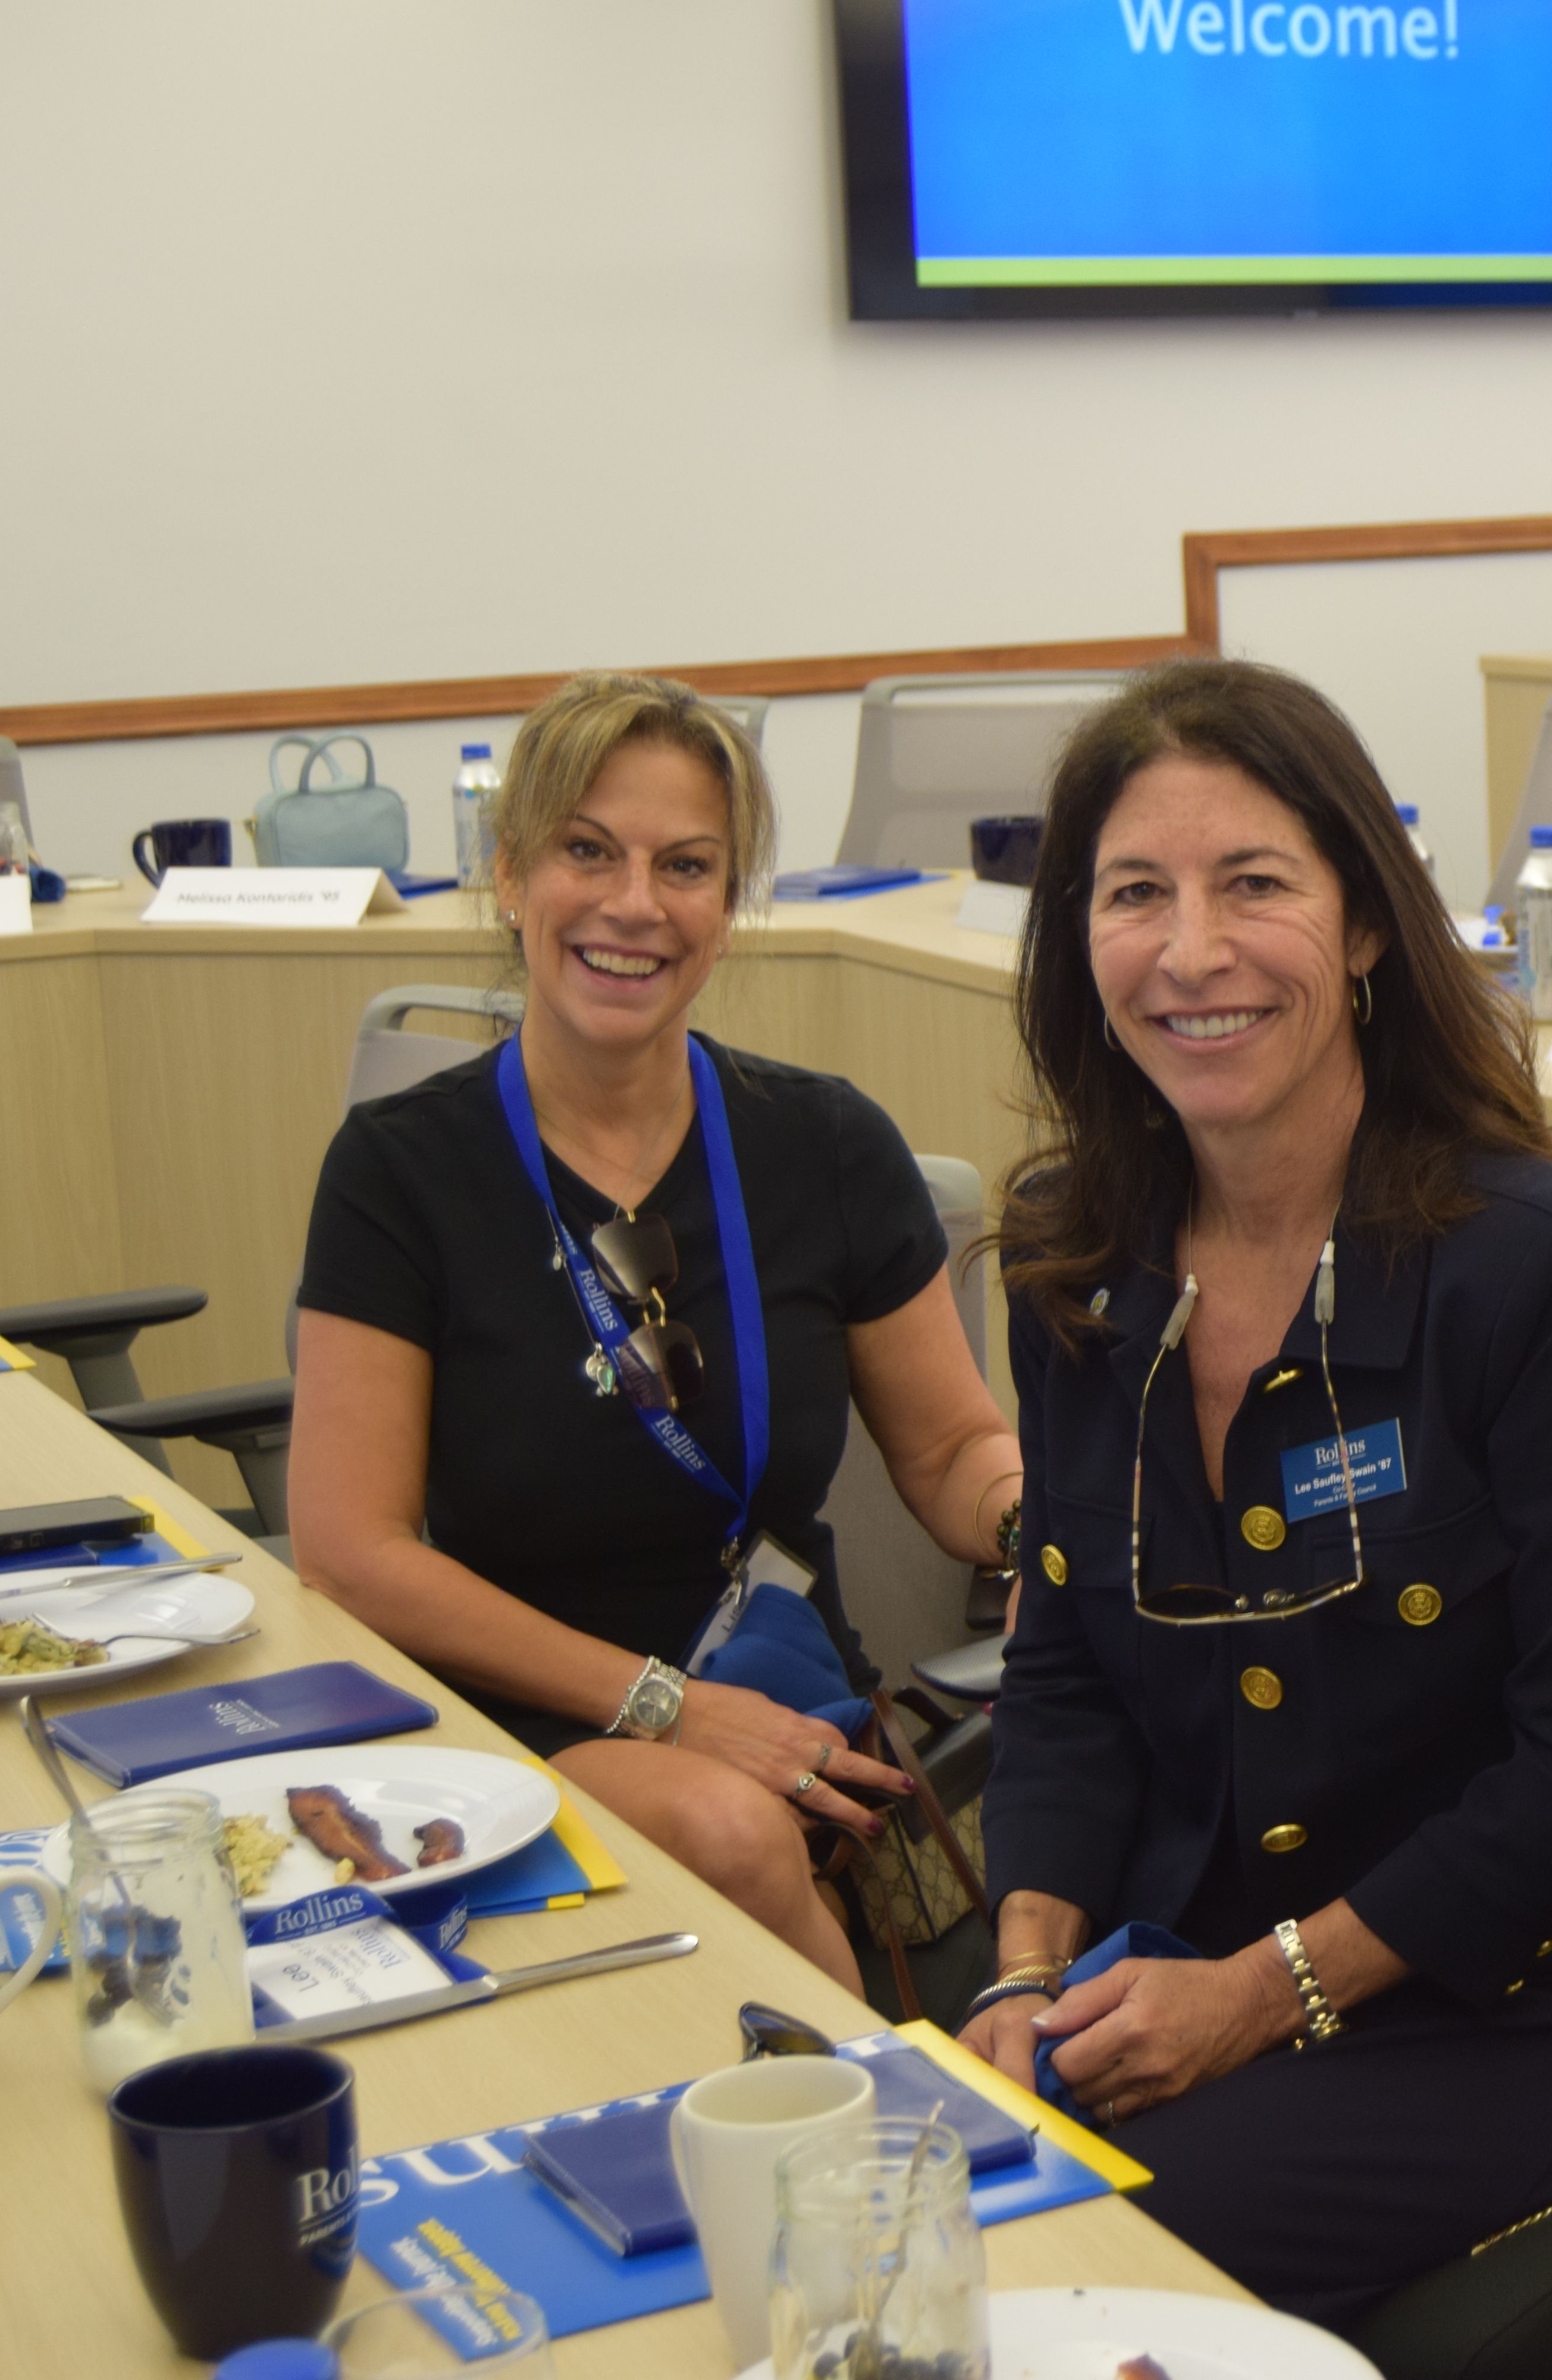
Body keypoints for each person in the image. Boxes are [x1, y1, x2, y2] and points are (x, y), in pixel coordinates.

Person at [954, 659, 1552, 2323]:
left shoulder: (1551, 1268)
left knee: (1052, 2277)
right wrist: (1021, 1972)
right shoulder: (1075, 1255)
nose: (1190, 951)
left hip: (1475, 2014)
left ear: (1364, 923)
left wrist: (1257, 1996)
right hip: (1148, 1964)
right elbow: (1063, 1669)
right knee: (877, 2195)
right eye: (1135, 894)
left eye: (1253, 885)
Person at [290, 672, 1025, 1991]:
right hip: (513, 1712)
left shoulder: (825, 1144)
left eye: (685, 866)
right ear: (510, 872)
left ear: (727, 909)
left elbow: (954, 1448)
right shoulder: (400, 1171)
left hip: (784, 1693)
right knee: (728, 1830)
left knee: (771, 1818)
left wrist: (1036, 1530)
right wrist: (665, 1708)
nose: (635, 903)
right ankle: (897, 2100)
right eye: (588, 851)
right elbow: (352, 1555)